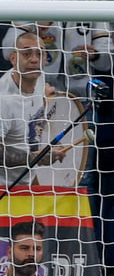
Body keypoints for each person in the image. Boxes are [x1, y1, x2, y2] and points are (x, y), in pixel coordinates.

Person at [0, 32, 71, 186]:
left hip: (29, 182)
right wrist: (34, 158)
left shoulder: (39, 77)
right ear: (13, 58)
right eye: (27, 54)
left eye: (40, 54)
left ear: (45, 59)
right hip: (3, 187)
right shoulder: (3, 99)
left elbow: (35, 121)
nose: (34, 59)